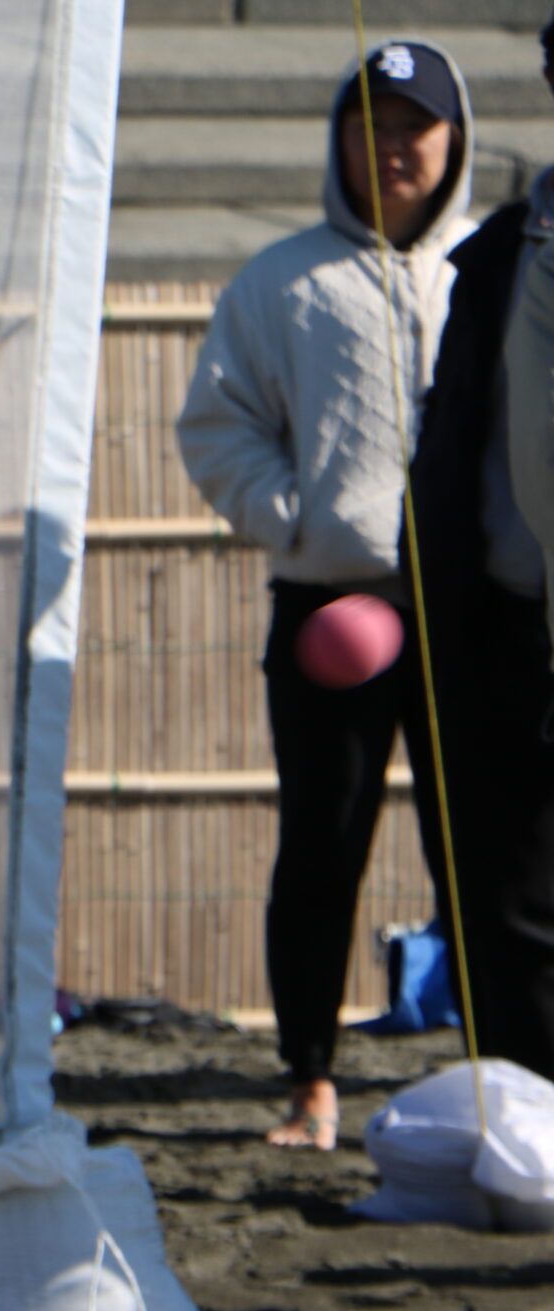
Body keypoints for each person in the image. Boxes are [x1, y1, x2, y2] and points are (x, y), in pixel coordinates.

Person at [177, 40, 473, 1148]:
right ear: (338, 142)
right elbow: (217, 426)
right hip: (330, 608)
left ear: (454, 140)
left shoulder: (491, 269)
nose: (392, 149)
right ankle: (309, 1077)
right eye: (370, 127)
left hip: (474, 609)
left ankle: (507, 1075)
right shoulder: (281, 281)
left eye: (413, 127)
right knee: (321, 844)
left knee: (486, 856)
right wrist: (295, 516)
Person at [437, 17, 554, 1080]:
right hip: (511, 620)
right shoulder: (502, 253)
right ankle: (528, 1120)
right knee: (509, 896)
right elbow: (459, 433)